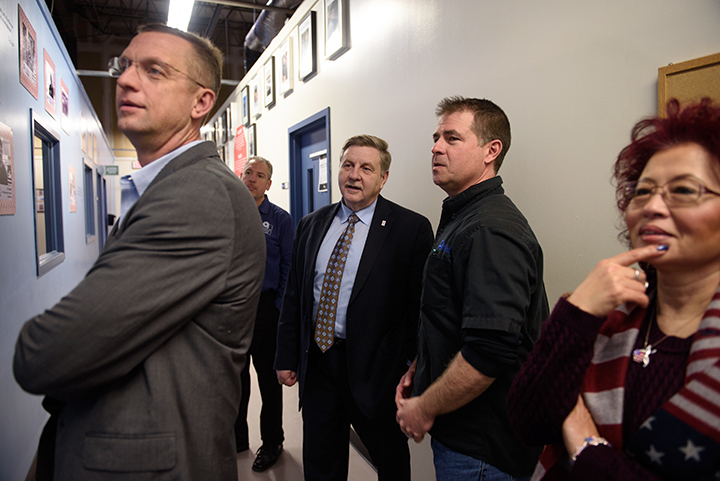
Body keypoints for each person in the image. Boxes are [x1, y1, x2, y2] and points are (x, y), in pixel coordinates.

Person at [13, 24, 265, 481]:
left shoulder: (197, 196)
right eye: (123, 65)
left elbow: (45, 354)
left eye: (154, 70)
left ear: (201, 103)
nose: (126, 80)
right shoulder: (169, 188)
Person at [508, 98, 720, 481]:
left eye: (685, 190)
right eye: (642, 191)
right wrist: (577, 313)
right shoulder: (615, 315)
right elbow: (528, 423)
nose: (652, 206)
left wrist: (586, 446)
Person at [395, 96, 549, 481]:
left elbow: (489, 351)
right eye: (435, 137)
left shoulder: (489, 230)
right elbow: (454, 316)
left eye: (452, 138)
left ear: (490, 151)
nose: (435, 147)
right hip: (464, 440)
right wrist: (422, 366)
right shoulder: (463, 218)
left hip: (482, 450)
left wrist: (424, 407)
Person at [275, 134, 433, 481]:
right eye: (347, 165)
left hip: (377, 372)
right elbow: (295, 297)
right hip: (319, 365)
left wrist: (408, 366)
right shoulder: (311, 224)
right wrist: (286, 356)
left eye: (366, 167)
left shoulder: (410, 229)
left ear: (383, 178)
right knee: (320, 461)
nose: (354, 175)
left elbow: (419, 306)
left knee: (390, 462)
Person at [236, 156, 295, 471]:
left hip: (266, 309)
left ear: (269, 184)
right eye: (248, 172)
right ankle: (236, 437)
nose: (252, 179)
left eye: (260, 175)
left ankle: (272, 442)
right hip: (233, 311)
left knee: (268, 383)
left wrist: (279, 309)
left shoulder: (280, 220)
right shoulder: (226, 213)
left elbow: (288, 267)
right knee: (234, 377)